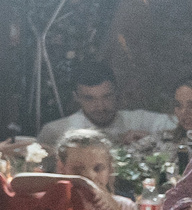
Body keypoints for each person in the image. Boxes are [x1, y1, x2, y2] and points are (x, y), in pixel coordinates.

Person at [40, 58, 173, 148]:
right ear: (76, 97)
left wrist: (153, 140)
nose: (100, 106)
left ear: (117, 93)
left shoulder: (139, 121)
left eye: (107, 96)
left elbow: (183, 127)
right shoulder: (56, 132)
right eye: (90, 98)